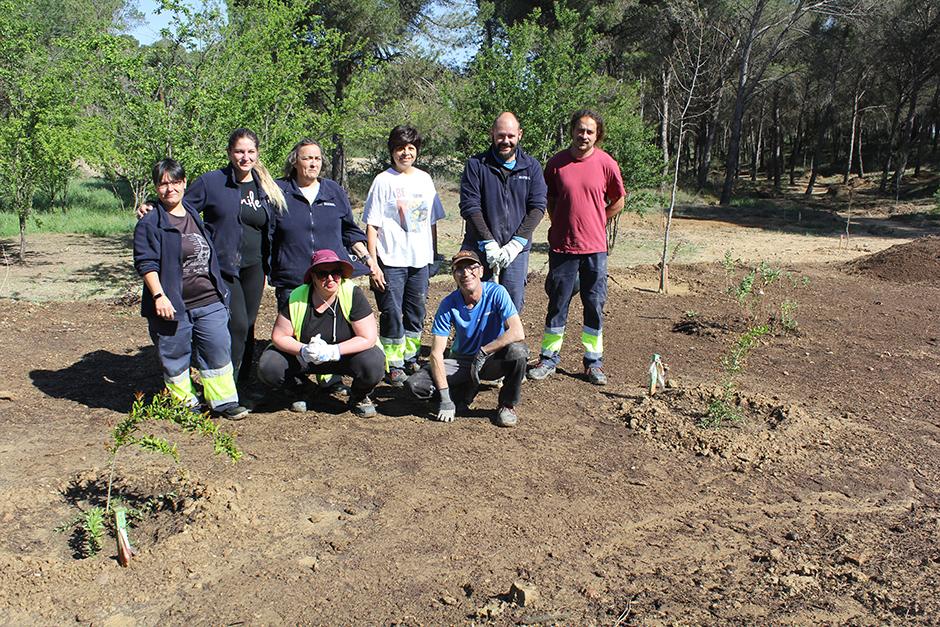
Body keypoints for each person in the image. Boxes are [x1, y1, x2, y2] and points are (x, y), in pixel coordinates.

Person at [138, 129, 287, 390]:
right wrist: (152, 204)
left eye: (250, 152)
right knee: (237, 325)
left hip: (255, 267)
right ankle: (225, 384)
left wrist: (269, 265)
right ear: (229, 153)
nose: (245, 157)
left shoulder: (265, 186)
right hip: (223, 267)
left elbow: (271, 227)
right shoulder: (213, 182)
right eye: (239, 151)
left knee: (248, 326)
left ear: (257, 154)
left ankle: (240, 384)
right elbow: (181, 203)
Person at [133, 158, 248, 420]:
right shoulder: (150, 223)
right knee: (175, 356)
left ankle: (224, 402)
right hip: (172, 304)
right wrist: (159, 295)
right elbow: (146, 263)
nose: (169, 188)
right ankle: (184, 404)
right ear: (156, 187)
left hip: (209, 299)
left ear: (184, 183)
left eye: (175, 182)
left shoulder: (194, 214)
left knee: (218, 349)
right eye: (162, 184)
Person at [528, 109, 626, 386]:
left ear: (597, 135)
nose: (584, 135)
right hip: (562, 247)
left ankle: (593, 363)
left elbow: (619, 199)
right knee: (557, 303)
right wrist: (558, 220)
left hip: (595, 248)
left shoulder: (606, 163)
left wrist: (599, 220)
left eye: (590, 132)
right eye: (580, 130)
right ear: (572, 130)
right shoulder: (557, 163)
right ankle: (548, 359)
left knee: (594, 304)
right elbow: (549, 198)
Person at [405, 250, 528, 428]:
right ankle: (461, 390)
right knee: (414, 385)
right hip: (461, 361)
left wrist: (484, 351)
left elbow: (517, 332)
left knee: (518, 351)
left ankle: (507, 405)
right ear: (454, 275)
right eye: (459, 269)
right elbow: (436, 353)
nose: (466, 273)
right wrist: (445, 399)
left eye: (472, 267)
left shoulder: (497, 292)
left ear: (481, 271)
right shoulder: (448, 304)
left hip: (491, 359)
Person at [257, 249, 386, 417]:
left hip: (344, 356)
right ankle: (301, 389)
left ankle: (359, 396)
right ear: (312, 277)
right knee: (269, 365)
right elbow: (279, 336)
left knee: (373, 363)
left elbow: (368, 337)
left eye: (336, 273)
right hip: (305, 357)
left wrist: (334, 351)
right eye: (323, 274)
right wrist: (303, 350)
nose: (331, 278)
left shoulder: (352, 293)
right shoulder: (297, 296)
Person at [363, 125, 445, 386]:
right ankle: (394, 362)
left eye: (411, 148)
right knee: (392, 311)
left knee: (416, 311)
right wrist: (373, 262)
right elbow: (372, 225)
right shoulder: (383, 181)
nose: (405, 153)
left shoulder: (425, 179)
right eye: (400, 148)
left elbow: (432, 220)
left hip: (419, 261)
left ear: (417, 151)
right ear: (392, 151)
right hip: (391, 261)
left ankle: (411, 356)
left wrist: (432, 253)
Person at [271, 138, 379, 311]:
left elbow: (349, 231)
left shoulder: (333, 190)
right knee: (291, 334)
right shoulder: (278, 190)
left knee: (333, 333)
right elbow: (267, 234)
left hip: (330, 279)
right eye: (307, 158)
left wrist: (368, 259)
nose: (313, 164)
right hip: (292, 279)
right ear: (295, 162)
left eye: (317, 158)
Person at [458, 111, 547, 312]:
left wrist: (517, 243)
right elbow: (470, 206)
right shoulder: (476, 165)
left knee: (511, 303)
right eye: (500, 135)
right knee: (472, 299)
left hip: (516, 250)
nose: (505, 141)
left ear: (520, 135)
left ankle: (508, 343)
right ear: (492, 134)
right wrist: (488, 241)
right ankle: (469, 342)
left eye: (510, 136)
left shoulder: (531, 167)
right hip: (479, 247)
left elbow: (537, 207)